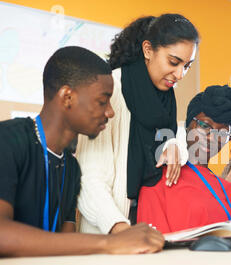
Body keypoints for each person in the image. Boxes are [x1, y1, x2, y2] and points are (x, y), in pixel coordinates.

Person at [0, 46, 164, 258]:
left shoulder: (70, 167)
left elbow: (65, 245)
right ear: (67, 97)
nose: (110, 111)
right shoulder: (4, 140)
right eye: (102, 100)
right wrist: (110, 242)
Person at [75, 14, 200, 234]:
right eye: (174, 62)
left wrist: (173, 144)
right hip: (109, 229)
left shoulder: (166, 97)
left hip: (151, 221)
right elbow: (90, 180)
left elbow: (175, 135)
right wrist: (119, 228)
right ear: (148, 50)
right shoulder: (110, 90)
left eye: (187, 66)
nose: (180, 75)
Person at [136, 85, 231, 234]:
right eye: (204, 125)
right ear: (187, 125)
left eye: (223, 133)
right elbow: (150, 241)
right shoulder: (162, 176)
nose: (212, 137)